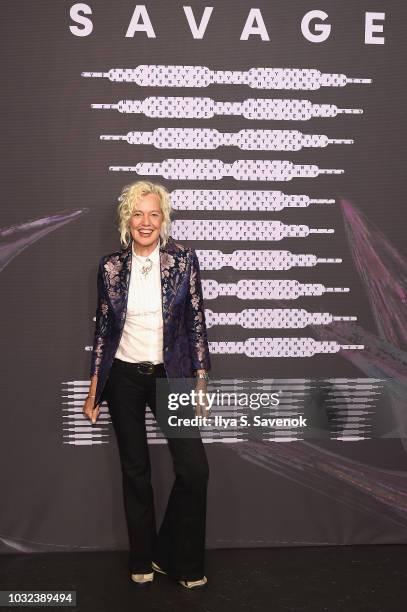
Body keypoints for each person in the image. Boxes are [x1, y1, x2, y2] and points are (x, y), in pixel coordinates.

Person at [82, 180, 211, 589]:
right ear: (127, 220)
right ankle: (142, 557)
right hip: (123, 378)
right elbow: (103, 331)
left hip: (169, 375)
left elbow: (195, 324)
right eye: (138, 214)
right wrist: (93, 390)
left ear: (164, 220)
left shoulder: (184, 261)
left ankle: (178, 558)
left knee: (194, 470)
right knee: (135, 470)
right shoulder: (110, 268)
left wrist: (202, 381)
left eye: (154, 214)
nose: (146, 222)